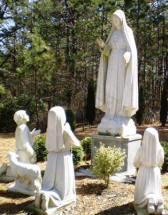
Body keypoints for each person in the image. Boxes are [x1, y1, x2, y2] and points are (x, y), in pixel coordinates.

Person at [96, 10, 138, 136]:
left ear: (122, 20)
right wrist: (104, 48)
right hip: (112, 64)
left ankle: (120, 113)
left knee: (120, 88)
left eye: (117, 19)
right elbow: (107, 51)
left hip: (122, 65)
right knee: (110, 87)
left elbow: (132, 50)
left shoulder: (128, 32)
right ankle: (110, 113)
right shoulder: (113, 33)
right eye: (113, 20)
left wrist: (128, 55)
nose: (115, 22)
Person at [35, 106, 80, 211]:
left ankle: (43, 195)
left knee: (49, 184)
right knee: (62, 189)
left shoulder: (50, 130)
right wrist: (69, 129)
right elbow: (77, 144)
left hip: (51, 158)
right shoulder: (65, 130)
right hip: (63, 159)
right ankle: (53, 198)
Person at [134, 127, 164, 214]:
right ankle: (157, 201)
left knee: (143, 191)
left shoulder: (141, 149)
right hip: (155, 171)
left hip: (144, 171)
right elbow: (161, 161)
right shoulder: (160, 149)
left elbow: (136, 162)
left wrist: (139, 165)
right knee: (154, 189)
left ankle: (148, 201)